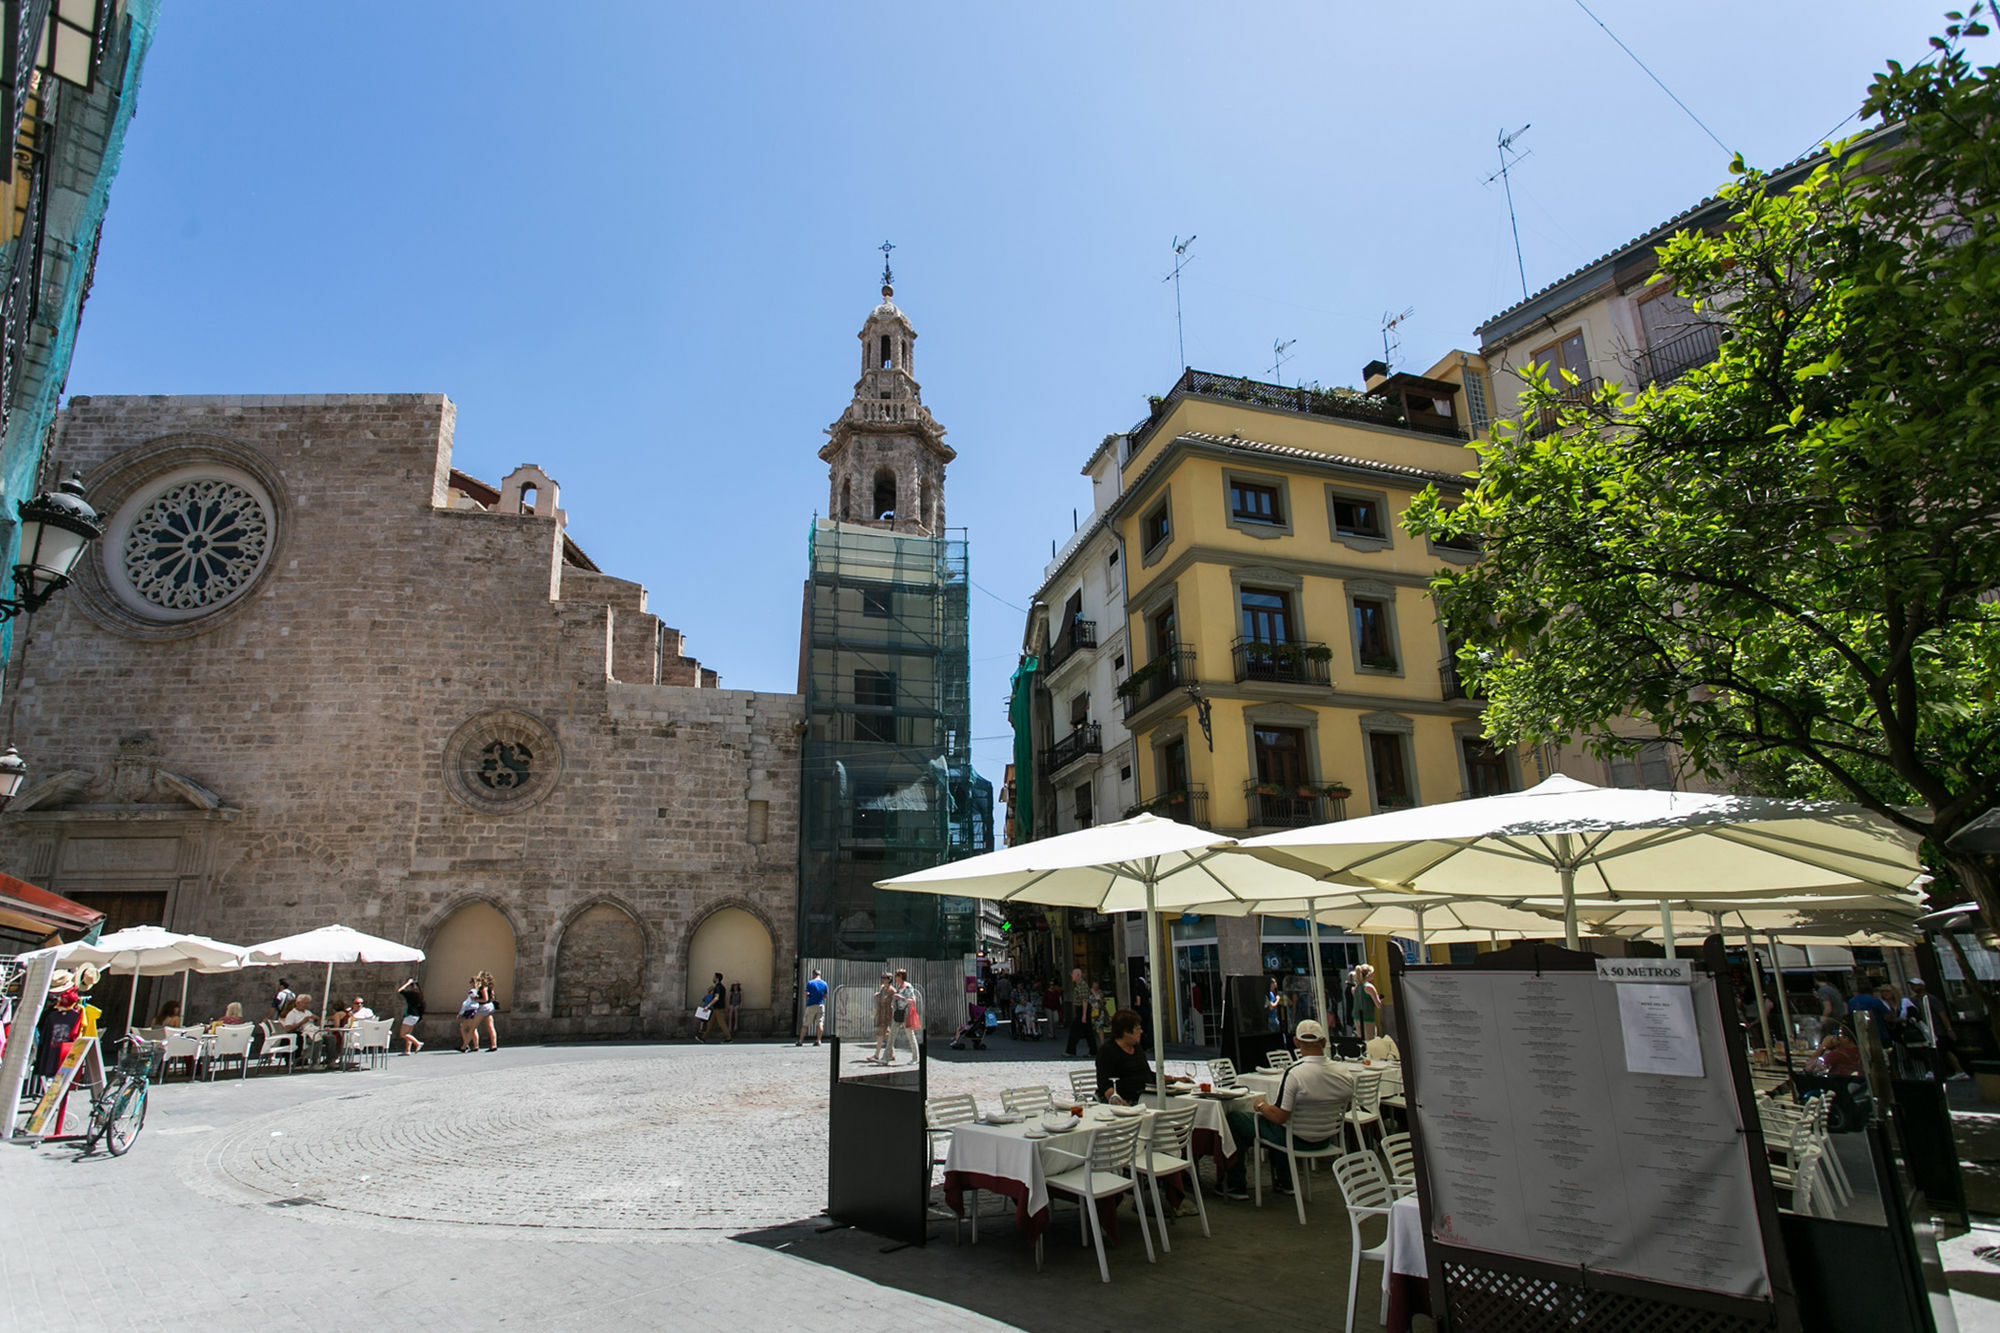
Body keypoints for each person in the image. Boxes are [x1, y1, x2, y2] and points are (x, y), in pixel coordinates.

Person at [1220, 1020, 1354, 1199]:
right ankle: (1285, 1181)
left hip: (1295, 1138)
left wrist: (1260, 1106)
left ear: (1296, 1043)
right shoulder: (1344, 1072)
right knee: (1275, 1124)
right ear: (1323, 1042)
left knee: (1236, 1119)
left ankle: (1236, 1184)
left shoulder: (1295, 1074)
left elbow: (1280, 1116)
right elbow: (1347, 1107)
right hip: (1327, 1137)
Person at [1094, 1008, 1193, 1105]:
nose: (1141, 1032)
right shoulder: (1107, 1052)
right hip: (1124, 1102)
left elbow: (1147, 1075)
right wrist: (1127, 1108)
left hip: (1146, 1098)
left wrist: (1175, 1079)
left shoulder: (1136, 1048)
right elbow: (1106, 1087)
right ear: (1126, 1032)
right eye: (1137, 1029)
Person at [1064, 967, 1097, 1058]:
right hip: (1081, 1010)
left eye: (1073, 975)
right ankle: (1094, 1051)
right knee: (1088, 1032)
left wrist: (1083, 1015)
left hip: (1083, 1010)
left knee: (1074, 1031)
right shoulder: (1078, 984)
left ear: (1078, 975)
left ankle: (1070, 1051)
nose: (1072, 976)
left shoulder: (1082, 985)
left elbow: (1084, 1001)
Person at [893, 968, 921, 1060]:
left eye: (897, 976)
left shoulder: (907, 986)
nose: (895, 978)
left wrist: (900, 997)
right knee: (892, 1035)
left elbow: (912, 1000)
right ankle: (885, 1057)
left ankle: (915, 1058)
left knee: (910, 1035)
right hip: (898, 1013)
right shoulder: (899, 987)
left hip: (906, 1013)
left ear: (901, 977)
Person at [695, 972, 731, 1043]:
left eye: (714, 977)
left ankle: (728, 1038)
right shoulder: (721, 987)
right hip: (716, 1008)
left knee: (722, 1024)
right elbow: (724, 998)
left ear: (717, 979)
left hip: (718, 1009)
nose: (713, 978)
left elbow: (716, 998)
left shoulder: (718, 988)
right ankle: (703, 1038)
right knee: (710, 1024)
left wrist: (708, 1006)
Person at [870, 972, 896, 1063]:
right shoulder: (882, 988)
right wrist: (878, 995)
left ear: (890, 979)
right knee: (886, 1034)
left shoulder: (892, 990)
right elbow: (880, 998)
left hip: (887, 1014)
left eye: (886, 978)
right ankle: (891, 1053)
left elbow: (893, 1003)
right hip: (881, 1013)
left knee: (880, 1033)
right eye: (882, 977)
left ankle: (876, 1054)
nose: (883, 979)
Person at [797, 968, 828, 1046]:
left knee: (806, 1024)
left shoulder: (810, 983)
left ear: (813, 974)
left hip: (811, 1005)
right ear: (819, 975)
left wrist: (808, 995)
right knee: (820, 1023)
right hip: (821, 1005)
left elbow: (806, 994)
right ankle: (818, 1040)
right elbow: (825, 996)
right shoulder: (824, 983)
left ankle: (800, 1041)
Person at [396, 979, 425, 1054]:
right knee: (408, 1034)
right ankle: (407, 1050)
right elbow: (423, 1008)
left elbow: (400, 990)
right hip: (416, 1016)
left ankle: (418, 1043)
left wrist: (407, 983)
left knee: (403, 1034)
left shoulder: (410, 994)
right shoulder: (421, 997)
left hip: (409, 1015)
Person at [1353, 965, 1382, 1040]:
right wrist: (1379, 999)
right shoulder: (1369, 987)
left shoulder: (1355, 988)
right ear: (1369, 974)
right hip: (1367, 1017)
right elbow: (1378, 1005)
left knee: (1361, 1042)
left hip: (1357, 1016)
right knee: (1370, 1042)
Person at [1814, 973, 1845, 1039]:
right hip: (1840, 1019)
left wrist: (1821, 1022)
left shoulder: (1822, 991)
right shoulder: (1833, 989)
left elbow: (1828, 1008)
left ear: (1815, 980)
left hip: (1832, 1020)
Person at [475, 971, 500, 1052]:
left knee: (472, 1026)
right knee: (490, 1027)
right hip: (489, 1007)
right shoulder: (490, 988)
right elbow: (492, 997)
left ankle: (470, 1045)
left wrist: (475, 999)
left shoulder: (483, 988)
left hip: (483, 1008)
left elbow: (485, 999)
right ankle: (494, 1045)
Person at [458, 977, 484, 1052]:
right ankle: (476, 1045)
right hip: (476, 1010)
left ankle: (465, 1045)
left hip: (470, 1010)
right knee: (473, 1028)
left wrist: (461, 1012)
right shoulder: (479, 991)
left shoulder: (472, 991)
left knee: (463, 1027)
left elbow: (466, 1003)